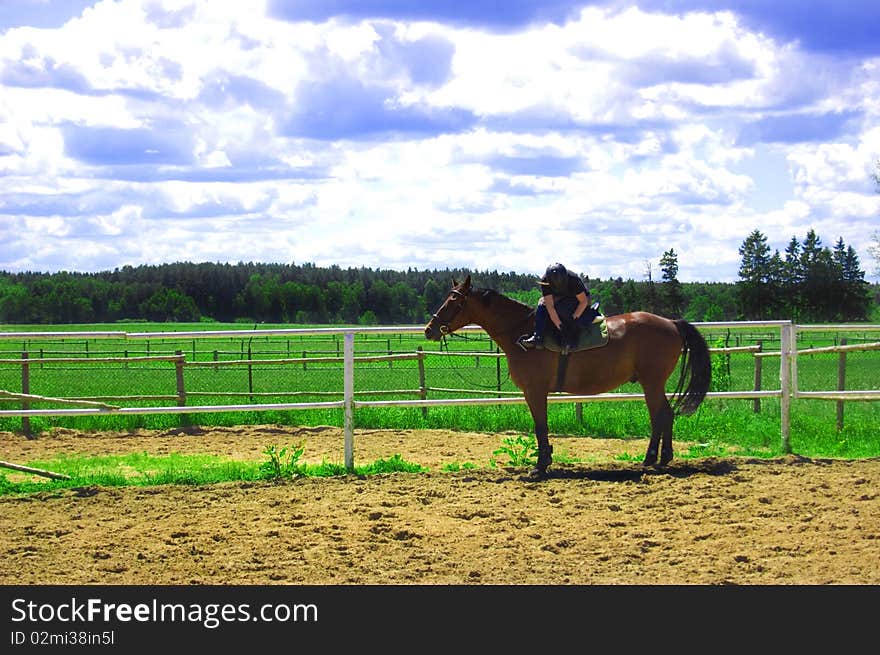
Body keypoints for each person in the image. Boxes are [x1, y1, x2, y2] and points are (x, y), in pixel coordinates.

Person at [520, 263, 595, 350]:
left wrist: (573, 320)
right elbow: (550, 307)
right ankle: (538, 336)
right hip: (558, 297)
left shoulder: (573, 280)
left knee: (565, 311)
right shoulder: (545, 281)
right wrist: (560, 326)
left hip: (577, 298)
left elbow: (583, 302)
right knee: (542, 305)